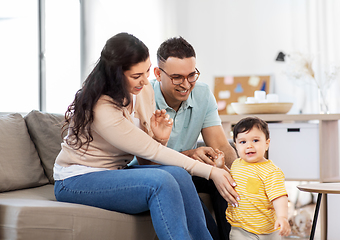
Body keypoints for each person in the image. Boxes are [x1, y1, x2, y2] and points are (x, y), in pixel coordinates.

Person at [53, 32, 240, 240]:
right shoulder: (102, 107)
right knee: (162, 182)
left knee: (178, 174)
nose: (145, 80)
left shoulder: (144, 91)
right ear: (115, 74)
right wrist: (211, 172)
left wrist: (159, 137)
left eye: (146, 72)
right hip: (77, 179)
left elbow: (146, 159)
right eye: (136, 76)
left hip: (116, 173)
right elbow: (152, 151)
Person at [147, 36, 238, 240]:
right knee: (180, 184)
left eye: (191, 75)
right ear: (157, 74)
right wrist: (190, 154)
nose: (186, 84)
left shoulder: (203, 93)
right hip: (156, 172)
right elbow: (148, 158)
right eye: (177, 77)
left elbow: (221, 144)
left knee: (225, 177)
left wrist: (243, 173)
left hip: (189, 170)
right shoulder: (144, 97)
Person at [226, 117, 291, 240]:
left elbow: (279, 197)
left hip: (268, 231)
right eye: (243, 142)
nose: (249, 146)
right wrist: (219, 166)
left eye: (255, 140)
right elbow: (229, 180)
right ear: (236, 145)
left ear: (266, 144)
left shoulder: (271, 171)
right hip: (240, 228)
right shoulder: (236, 165)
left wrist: (282, 217)